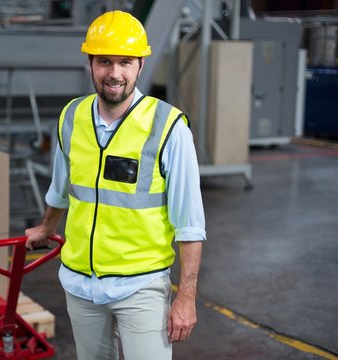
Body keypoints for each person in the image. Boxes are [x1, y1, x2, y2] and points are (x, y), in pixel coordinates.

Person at [25, 10, 206, 360]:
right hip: (80, 284)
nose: (114, 73)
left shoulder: (168, 128)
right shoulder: (71, 117)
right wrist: (46, 227)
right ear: (90, 64)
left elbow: (190, 223)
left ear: (140, 65)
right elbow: (61, 189)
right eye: (104, 61)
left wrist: (186, 296)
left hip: (141, 285)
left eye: (125, 62)